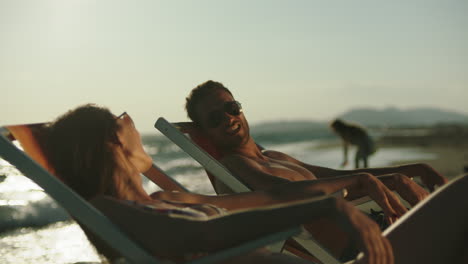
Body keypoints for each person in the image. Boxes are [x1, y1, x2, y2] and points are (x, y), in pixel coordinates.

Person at [43, 104, 393, 264]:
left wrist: (339, 194)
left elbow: (265, 198)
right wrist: (325, 205)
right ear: (112, 142)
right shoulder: (109, 210)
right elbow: (199, 236)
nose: (132, 124)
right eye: (123, 120)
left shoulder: (163, 199)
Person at [184, 80, 448, 208]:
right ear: (206, 133)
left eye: (231, 107)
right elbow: (283, 191)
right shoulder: (235, 164)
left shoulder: (273, 155)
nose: (228, 118)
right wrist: (370, 181)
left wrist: (413, 169)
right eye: (216, 118)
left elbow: (335, 177)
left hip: (370, 216)